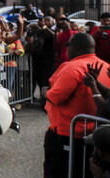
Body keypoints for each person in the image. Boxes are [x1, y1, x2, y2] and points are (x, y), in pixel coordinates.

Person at [44, 33, 107, 178]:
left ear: (77, 47)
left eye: (68, 45)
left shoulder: (71, 67)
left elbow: (55, 97)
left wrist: (44, 93)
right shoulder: (106, 67)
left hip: (67, 135)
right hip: (97, 135)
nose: (66, 48)